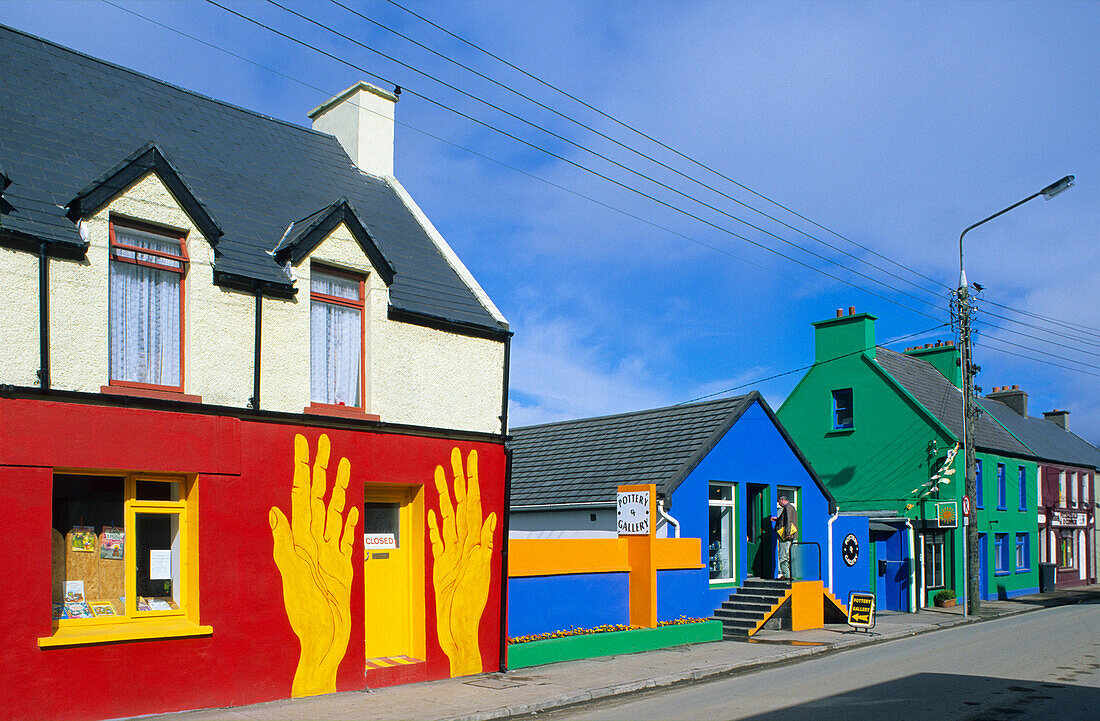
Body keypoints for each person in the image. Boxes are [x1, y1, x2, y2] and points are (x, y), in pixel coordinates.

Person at [770, 496, 797, 580]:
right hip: (789, 536)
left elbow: (788, 521)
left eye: (779, 502)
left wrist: (787, 533)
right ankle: (790, 575)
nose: (778, 504)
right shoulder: (791, 507)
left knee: (783, 556)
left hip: (786, 537)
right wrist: (778, 520)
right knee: (789, 556)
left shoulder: (787, 508)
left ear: (782, 500)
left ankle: (786, 575)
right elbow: (786, 520)